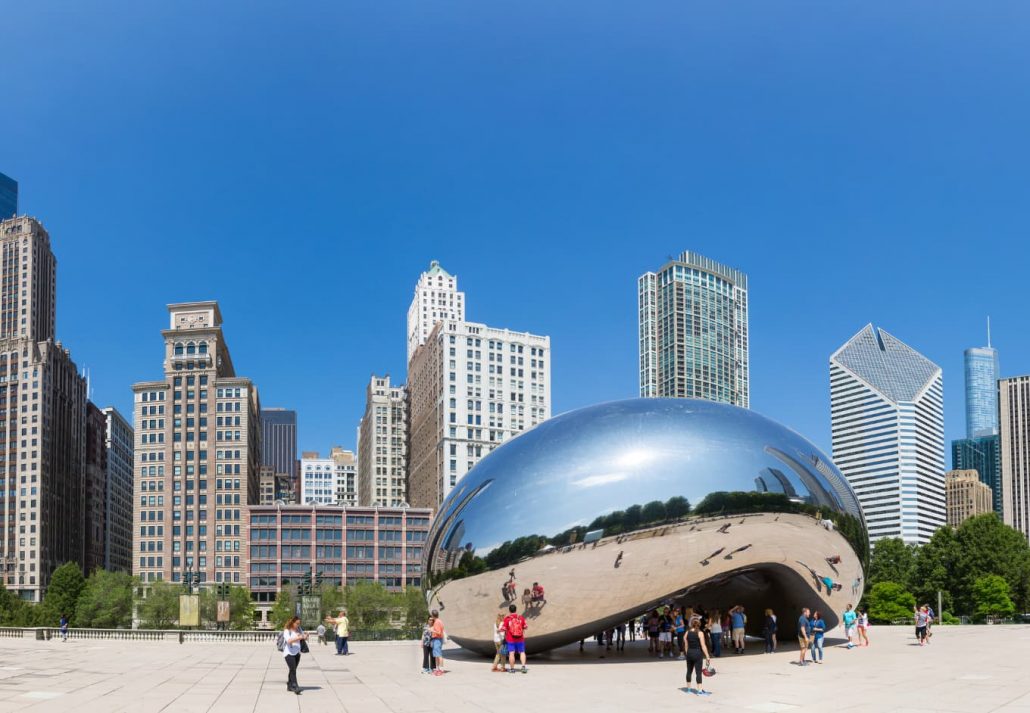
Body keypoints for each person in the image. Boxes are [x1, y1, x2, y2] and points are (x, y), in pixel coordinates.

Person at [684, 615, 713, 697]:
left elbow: (686, 644)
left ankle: (688, 689)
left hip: (689, 653)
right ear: (699, 624)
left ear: (691, 624)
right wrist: (707, 656)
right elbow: (703, 646)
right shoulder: (700, 633)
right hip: (697, 653)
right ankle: (699, 691)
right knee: (698, 673)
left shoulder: (687, 632)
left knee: (689, 671)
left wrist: (687, 653)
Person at [281, 616, 308, 695]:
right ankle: (295, 686)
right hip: (288, 653)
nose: (298, 625)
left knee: (292, 669)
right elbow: (289, 641)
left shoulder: (299, 629)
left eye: (299, 623)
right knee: (293, 669)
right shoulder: (287, 631)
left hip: (297, 653)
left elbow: (303, 637)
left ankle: (289, 685)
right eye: (297, 623)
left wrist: (305, 636)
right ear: (292, 622)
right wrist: (299, 637)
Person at [503, 604, 528, 673]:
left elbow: (503, 628)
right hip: (520, 639)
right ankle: (523, 667)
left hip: (510, 639)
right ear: (516, 610)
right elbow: (526, 627)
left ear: (509, 610)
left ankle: (512, 669)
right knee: (522, 652)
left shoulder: (507, 619)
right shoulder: (521, 618)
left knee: (511, 653)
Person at [430, 609, 447, 675]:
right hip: (437, 639)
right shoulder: (440, 621)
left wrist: (431, 630)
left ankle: (441, 670)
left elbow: (439, 632)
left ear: (432, 615)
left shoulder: (437, 622)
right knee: (436, 655)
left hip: (437, 639)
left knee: (439, 655)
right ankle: (437, 669)